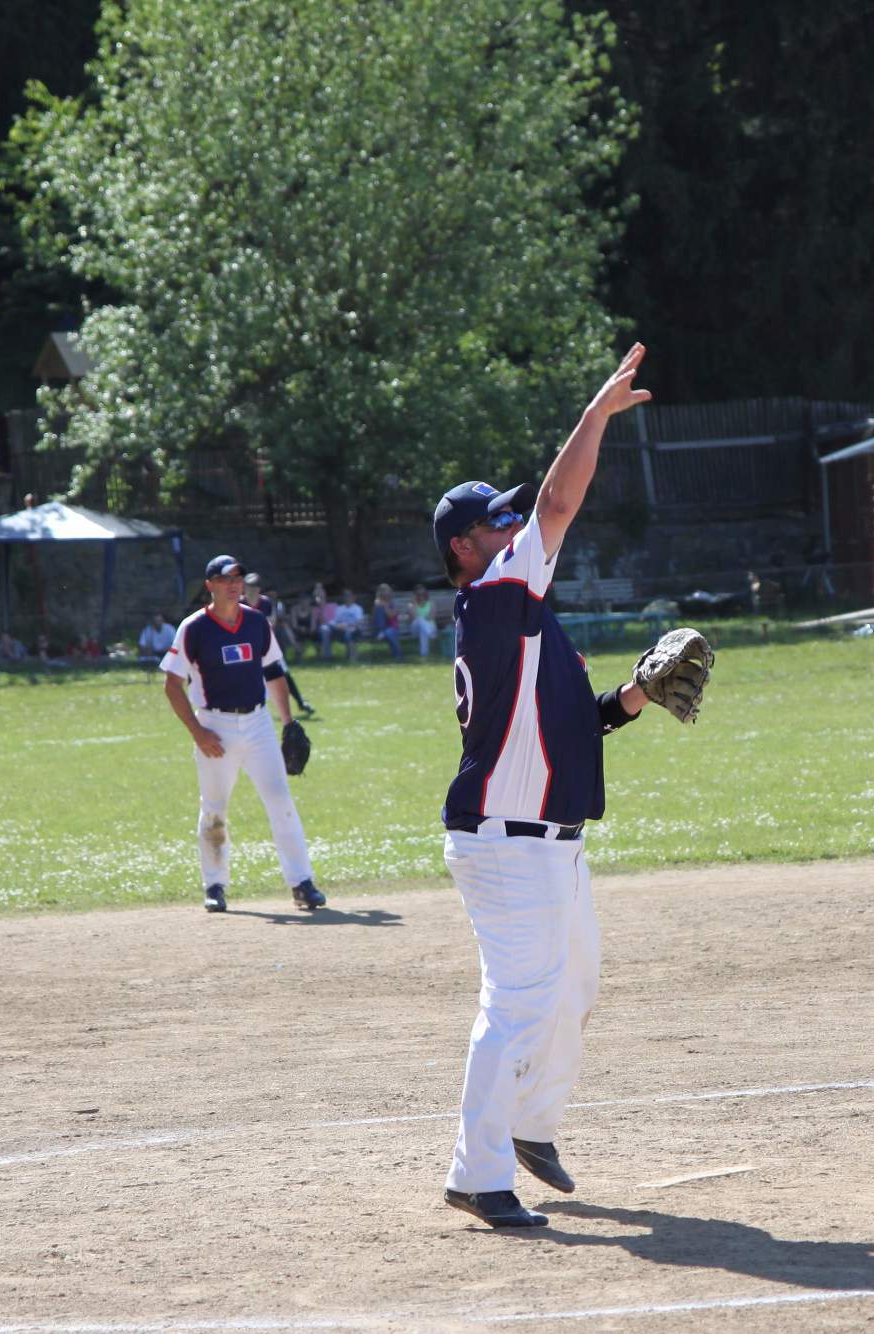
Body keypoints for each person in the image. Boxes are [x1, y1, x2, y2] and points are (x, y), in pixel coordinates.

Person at [436, 343, 661, 1230]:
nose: (518, 528)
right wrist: (595, 414)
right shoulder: (497, 593)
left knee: (574, 988)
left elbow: (570, 723)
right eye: (497, 523)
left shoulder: (528, 618)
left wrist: (635, 697)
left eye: (510, 521)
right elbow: (562, 499)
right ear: (466, 548)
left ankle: (530, 1128)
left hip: (549, 840)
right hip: (504, 839)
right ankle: (477, 1174)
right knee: (518, 1004)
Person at [159, 554, 326, 914]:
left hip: (258, 723)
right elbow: (172, 684)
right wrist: (197, 732)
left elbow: (274, 671)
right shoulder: (193, 628)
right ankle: (215, 884)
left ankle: (302, 883)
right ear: (210, 586)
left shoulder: (256, 621)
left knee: (281, 800)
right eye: (225, 579)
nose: (234, 584)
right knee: (215, 808)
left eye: (237, 577)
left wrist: (288, 722)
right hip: (214, 727)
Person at [244, 573, 314, 716]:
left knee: (284, 674)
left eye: (252, 588)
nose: (249, 591)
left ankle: (300, 702)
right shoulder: (239, 604)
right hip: (247, 648)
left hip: (267, 645)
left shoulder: (266, 603)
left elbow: (271, 623)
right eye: (247, 587)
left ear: (258, 589)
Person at [321, 587, 363, 660]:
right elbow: (334, 621)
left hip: (353, 630)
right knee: (325, 628)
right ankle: (327, 655)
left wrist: (347, 626)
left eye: (349, 595)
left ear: (353, 597)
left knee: (349, 632)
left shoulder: (357, 608)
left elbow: (358, 622)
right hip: (340, 630)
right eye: (345, 595)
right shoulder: (339, 609)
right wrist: (336, 625)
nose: (347, 597)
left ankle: (352, 656)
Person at [371, 584, 404, 659]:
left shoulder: (395, 603)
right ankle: (398, 656)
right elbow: (373, 619)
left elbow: (390, 616)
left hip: (393, 628)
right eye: (382, 591)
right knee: (388, 633)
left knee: (389, 633)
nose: (384, 593)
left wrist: (384, 605)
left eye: (386, 591)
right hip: (380, 629)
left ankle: (398, 656)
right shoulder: (378, 604)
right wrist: (375, 606)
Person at [408, 584, 439, 658]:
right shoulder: (411, 605)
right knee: (419, 621)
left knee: (423, 631)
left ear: (426, 594)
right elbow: (414, 617)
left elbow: (431, 616)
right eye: (418, 594)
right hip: (415, 628)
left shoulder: (431, 603)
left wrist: (422, 619)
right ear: (415, 595)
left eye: (423, 594)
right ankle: (430, 634)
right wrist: (414, 604)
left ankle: (424, 654)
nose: (421, 596)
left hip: (430, 626)